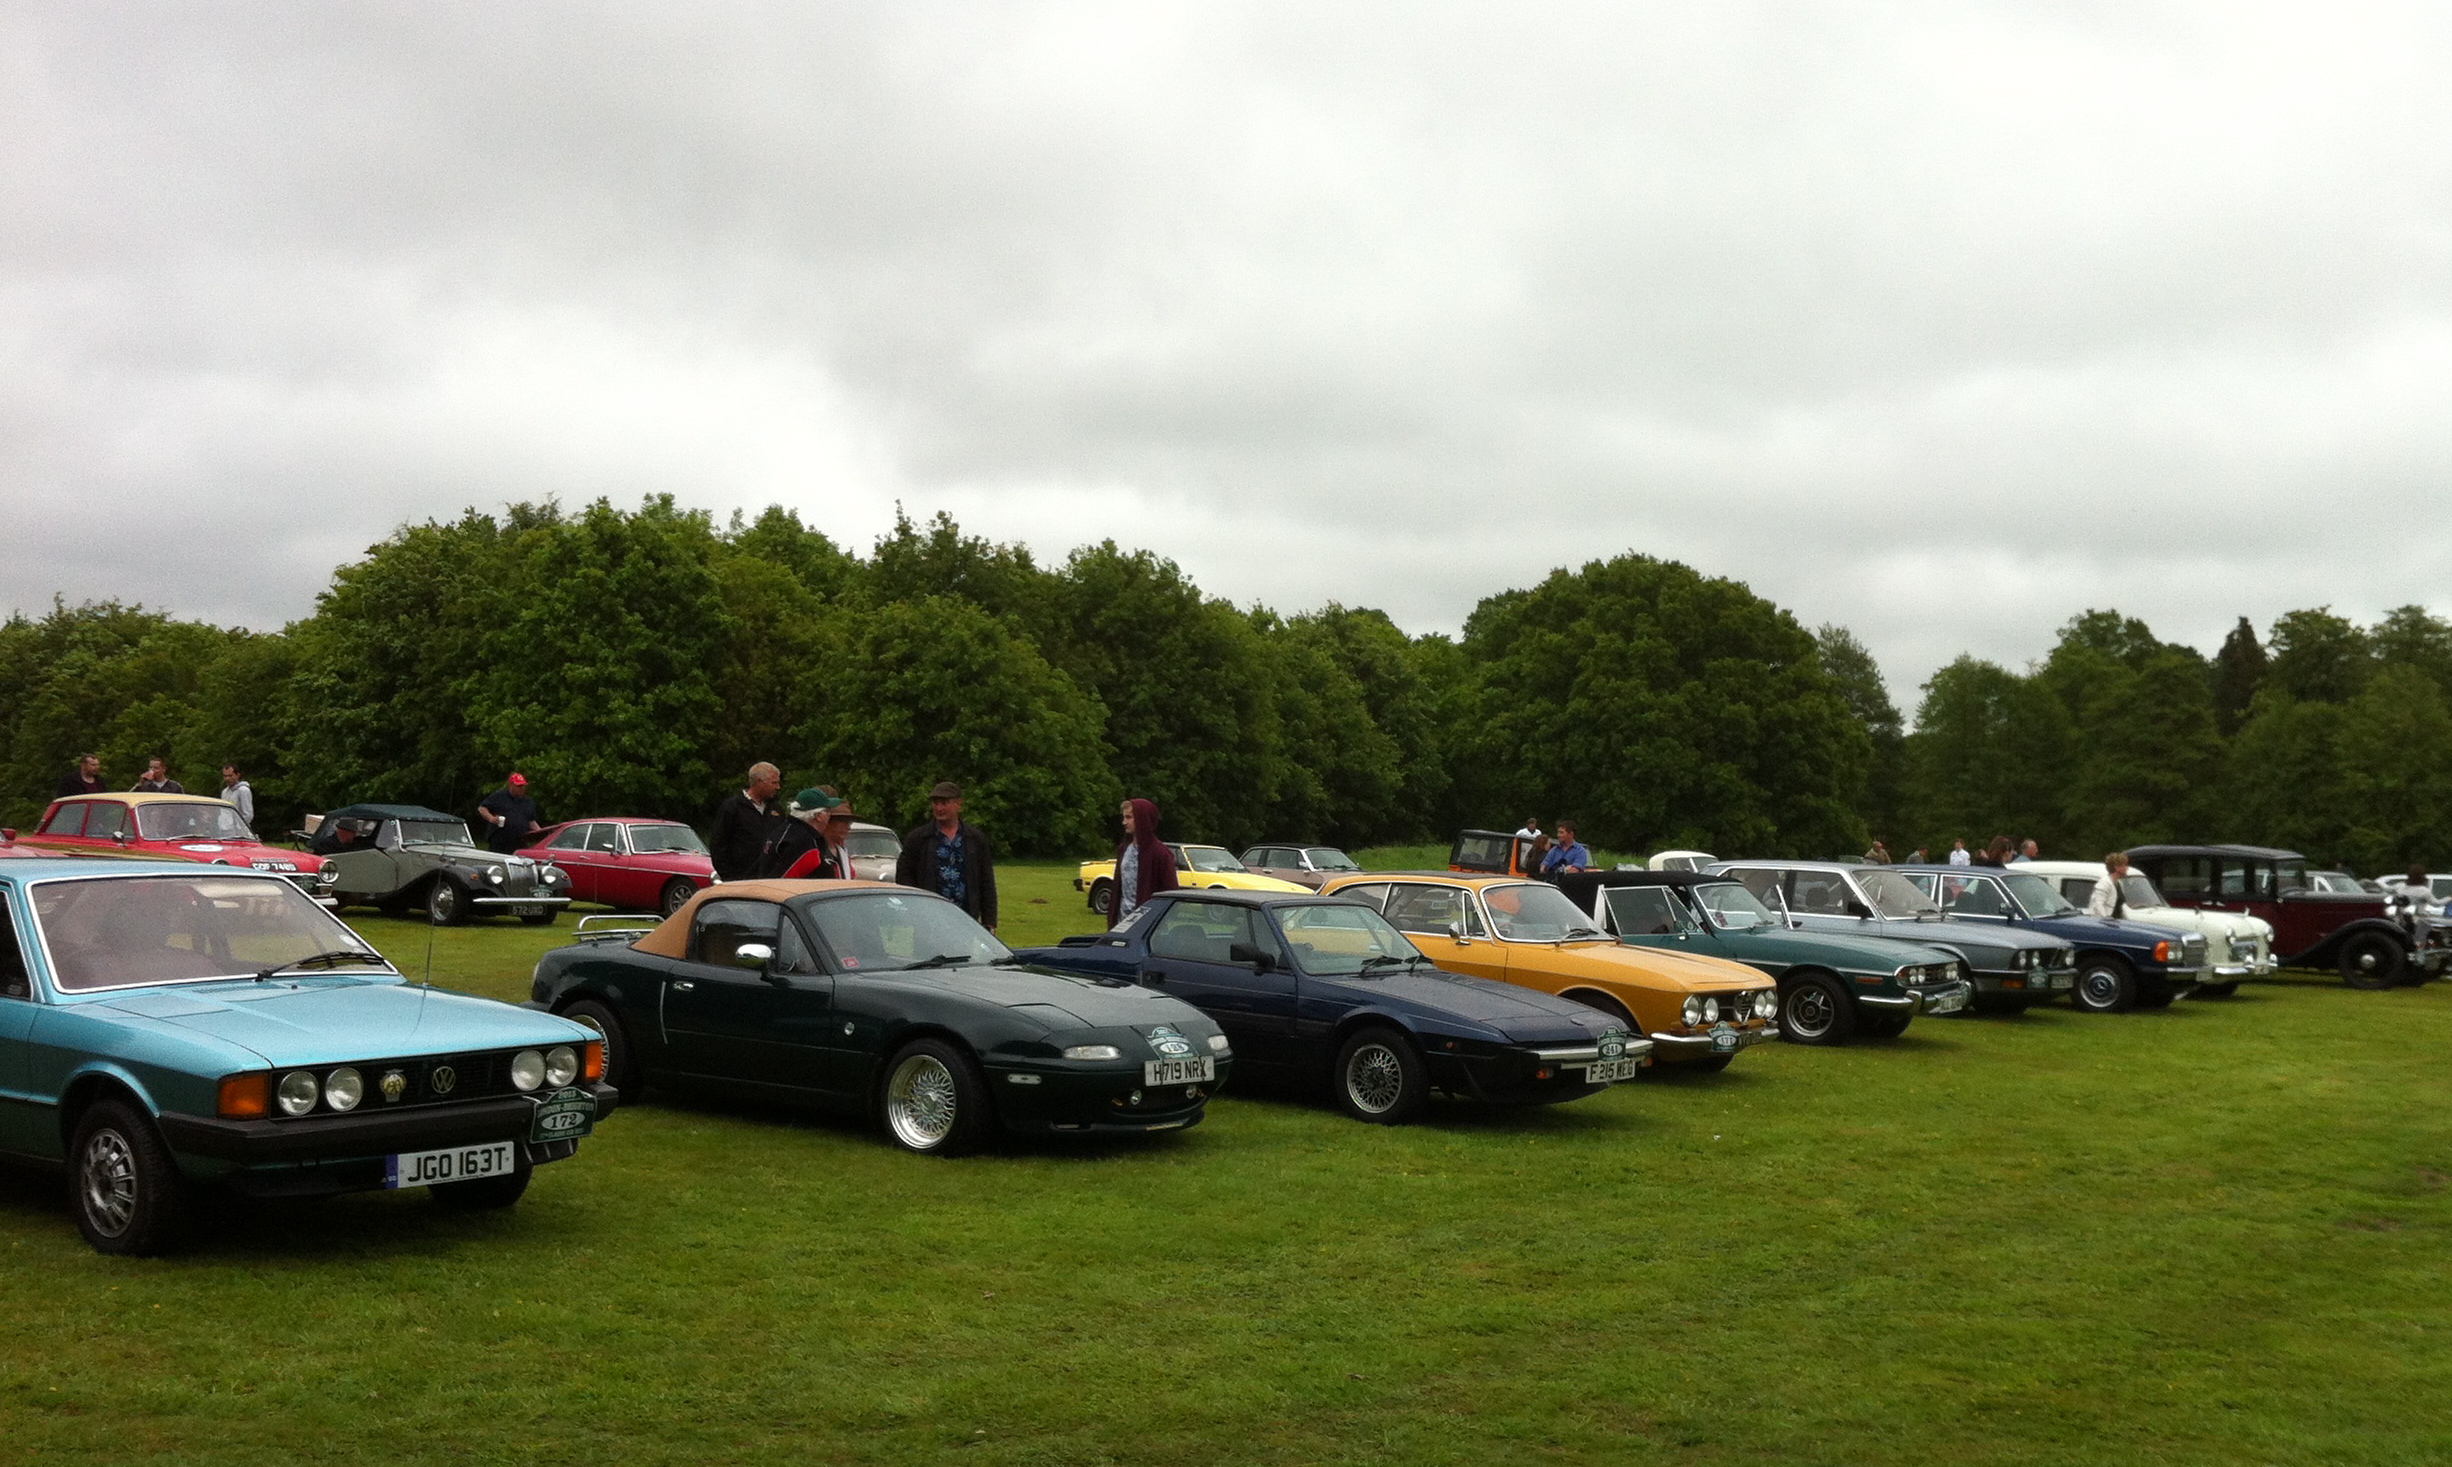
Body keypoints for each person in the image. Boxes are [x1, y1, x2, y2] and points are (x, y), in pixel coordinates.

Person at [895, 781, 998, 929]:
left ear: (959, 804)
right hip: (928, 920)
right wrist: (917, 907)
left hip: (967, 919)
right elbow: (903, 875)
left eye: (944, 803)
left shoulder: (975, 839)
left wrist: (989, 921)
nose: (939, 808)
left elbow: (986, 881)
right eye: (936, 803)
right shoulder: (919, 838)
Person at [1107, 796, 1178, 928]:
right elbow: (1119, 888)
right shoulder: (1124, 849)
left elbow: (1170, 890)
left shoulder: (1160, 853)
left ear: (1142, 819)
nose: (1124, 822)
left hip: (1147, 925)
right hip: (1121, 921)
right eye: (1124, 817)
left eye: (1129, 817)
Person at [710, 762, 786, 881]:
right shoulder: (733, 807)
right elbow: (718, 845)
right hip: (741, 880)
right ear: (759, 782)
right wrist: (730, 878)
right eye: (774, 783)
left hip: (771, 881)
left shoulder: (776, 809)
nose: (778, 787)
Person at [762, 787, 841, 878]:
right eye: (828, 811)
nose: (830, 816)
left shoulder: (786, 830)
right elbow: (786, 880)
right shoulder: (803, 842)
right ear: (818, 816)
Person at [477, 772, 543, 855]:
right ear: (511, 785)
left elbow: (531, 821)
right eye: (519, 786)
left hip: (520, 841)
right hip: (500, 841)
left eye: (523, 786)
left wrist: (541, 833)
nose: (521, 788)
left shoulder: (528, 802)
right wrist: (491, 818)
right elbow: (482, 808)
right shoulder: (499, 796)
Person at [2087, 852, 2135, 919]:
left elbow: (2119, 907)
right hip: (2105, 922)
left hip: (2117, 921)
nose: (2127, 868)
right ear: (2117, 867)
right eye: (2124, 865)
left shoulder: (2118, 883)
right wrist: (2105, 918)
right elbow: (2098, 904)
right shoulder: (2105, 883)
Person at [219, 764, 256, 830]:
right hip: (224, 829)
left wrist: (239, 827)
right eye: (225, 776)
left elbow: (248, 814)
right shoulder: (225, 792)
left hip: (238, 830)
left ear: (237, 775)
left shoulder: (243, 790)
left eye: (230, 776)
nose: (227, 779)